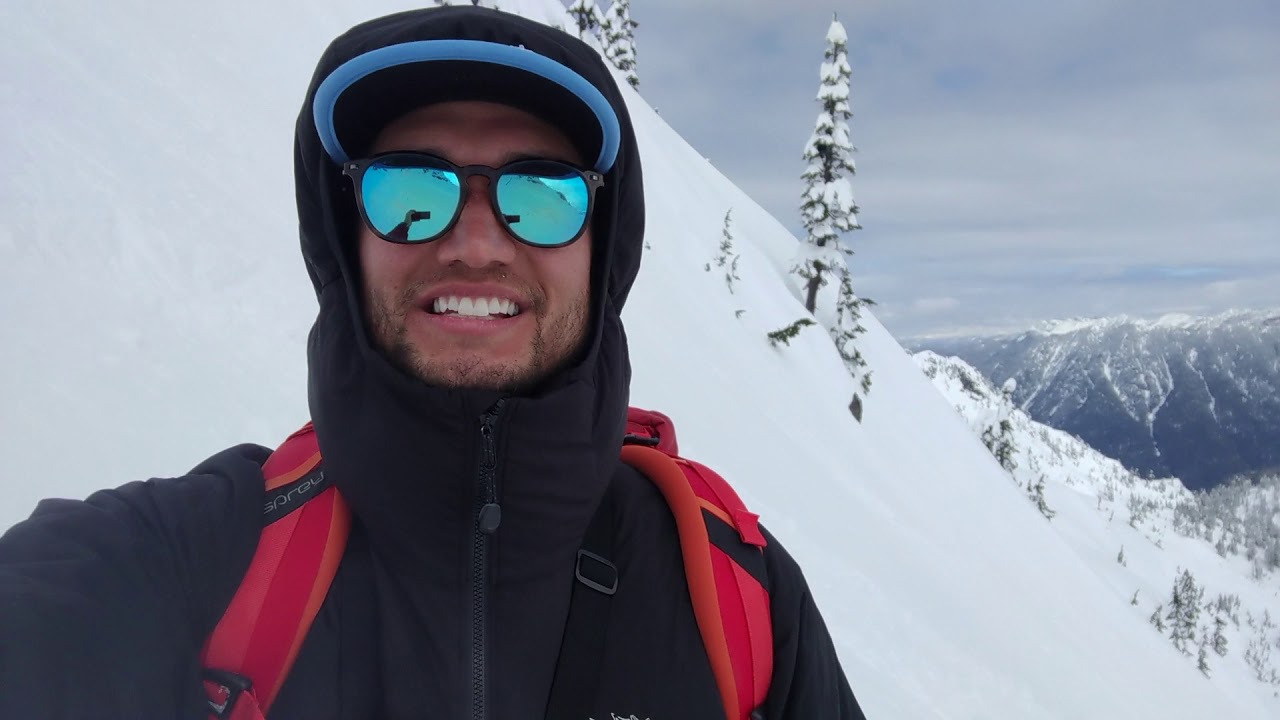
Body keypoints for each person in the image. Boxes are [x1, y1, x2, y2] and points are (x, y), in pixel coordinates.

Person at [0, 6, 866, 719]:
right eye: (409, 187)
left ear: (603, 245)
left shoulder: (741, 603)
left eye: (542, 193)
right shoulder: (187, 562)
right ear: (346, 237)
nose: (476, 244)